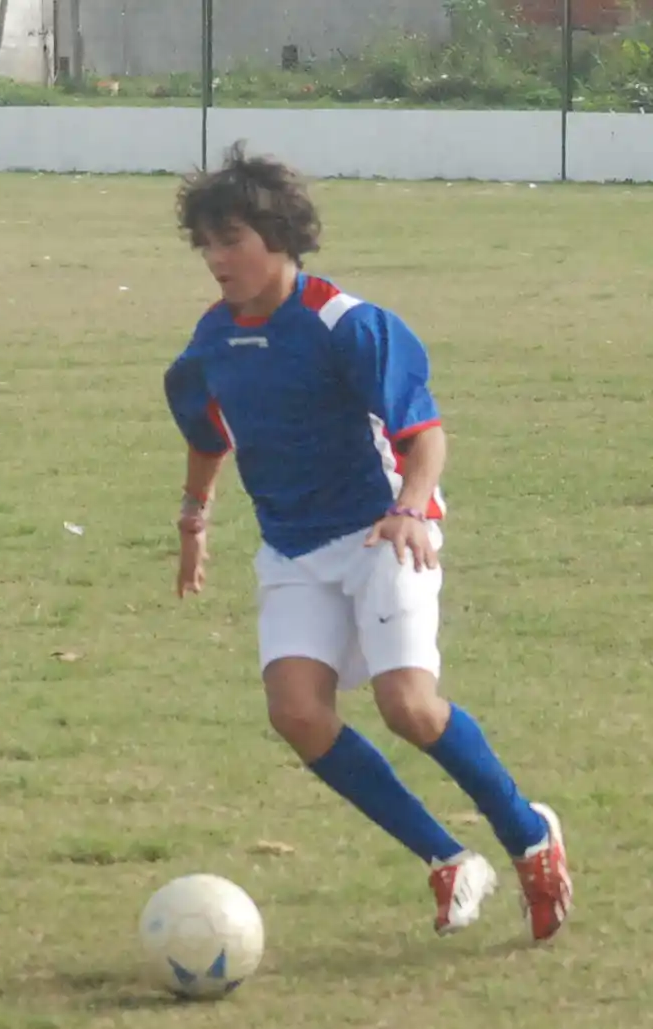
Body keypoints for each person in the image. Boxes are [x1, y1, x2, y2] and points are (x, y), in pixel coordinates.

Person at [162, 142, 571, 942]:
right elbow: (206, 429)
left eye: (232, 238)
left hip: (381, 533)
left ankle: (530, 837)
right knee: (298, 714)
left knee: (408, 706)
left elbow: (425, 433)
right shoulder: (212, 341)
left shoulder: (345, 324)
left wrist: (413, 508)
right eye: (206, 242)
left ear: (280, 235)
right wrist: (193, 519)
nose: (216, 257)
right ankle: (449, 859)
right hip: (291, 549)